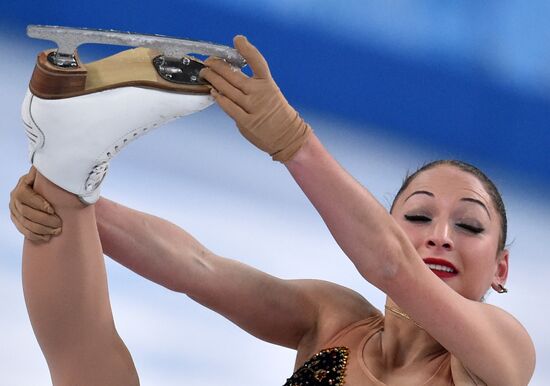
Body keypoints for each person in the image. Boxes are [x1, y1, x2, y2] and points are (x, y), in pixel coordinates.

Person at [9, 36, 535, 385]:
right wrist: (73, 200)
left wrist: (294, 142)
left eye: (468, 225)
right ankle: (68, 162)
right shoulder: (332, 319)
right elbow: (196, 267)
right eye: (417, 218)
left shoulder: (500, 356)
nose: (440, 235)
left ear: (501, 268)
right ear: (385, 226)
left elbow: (391, 264)